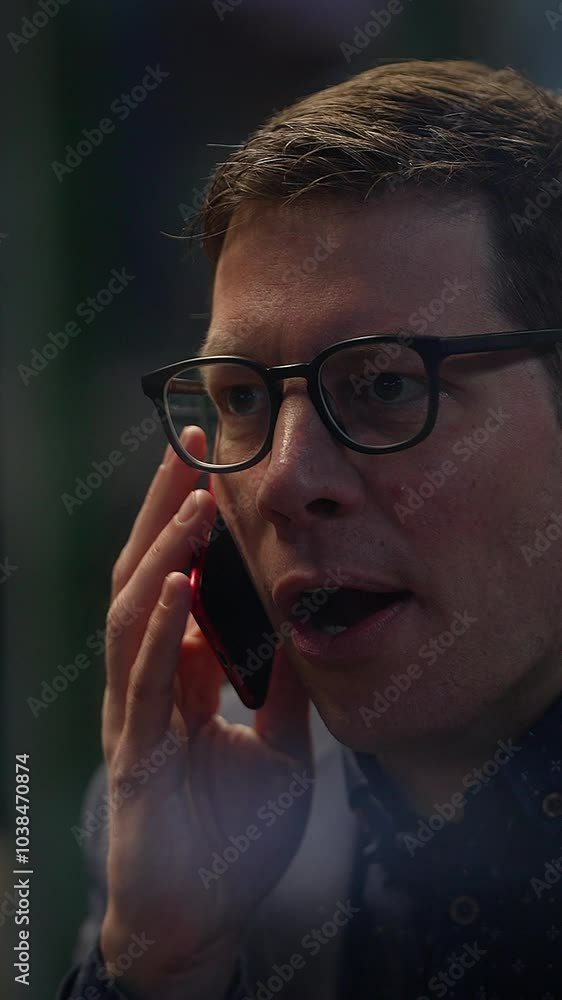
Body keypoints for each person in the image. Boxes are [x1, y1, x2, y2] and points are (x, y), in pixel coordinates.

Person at [57, 58, 562, 1000]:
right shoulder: (194, 800)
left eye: (385, 385)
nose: (284, 480)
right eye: (243, 398)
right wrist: (161, 968)